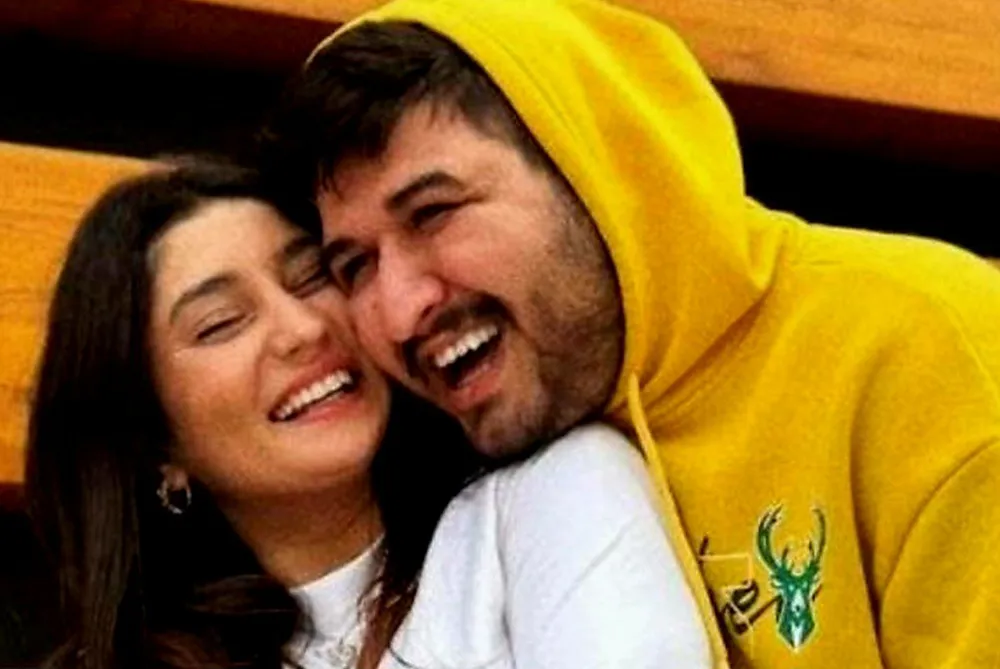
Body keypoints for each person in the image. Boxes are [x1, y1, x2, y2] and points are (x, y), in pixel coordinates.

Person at [260, 1, 1000, 668]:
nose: (399, 310)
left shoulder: (937, 349)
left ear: (595, 171)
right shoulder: (477, 467)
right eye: (354, 266)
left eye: (434, 213)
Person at [25, 158, 711, 669]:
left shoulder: (547, 497)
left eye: (312, 276)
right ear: (154, 443)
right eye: (223, 322)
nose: (302, 328)